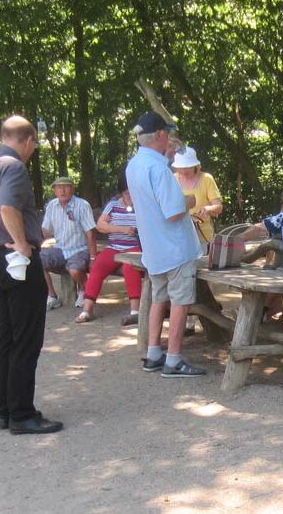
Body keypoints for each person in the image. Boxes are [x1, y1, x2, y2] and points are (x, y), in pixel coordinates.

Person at [0, 115, 63, 435]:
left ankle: (6, 410)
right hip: (15, 260)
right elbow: (7, 208)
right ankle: (23, 414)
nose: (33, 151)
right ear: (28, 140)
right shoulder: (14, 166)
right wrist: (23, 244)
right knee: (26, 337)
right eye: (34, 145)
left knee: (7, 335)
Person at [124, 111, 207, 378]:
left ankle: (153, 353)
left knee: (159, 299)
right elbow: (172, 211)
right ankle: (173, 360)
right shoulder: (158, 167)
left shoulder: (134, 165)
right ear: (159, 135)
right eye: (167, 134)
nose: (169, 139)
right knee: (181, 302)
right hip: (175, 248)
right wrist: (190, 201)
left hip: (153, 248)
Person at [76, 176, 144, 326]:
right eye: (127, 193)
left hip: (135, 246)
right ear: (121, 193)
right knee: (98, 266)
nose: (130, 196)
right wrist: (122, 229)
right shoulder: (113, 205)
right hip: (114, 246)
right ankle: (87, 310)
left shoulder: (143, 205)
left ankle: (135, 311)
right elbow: (100, 225)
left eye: (133, 192)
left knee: (129, 267)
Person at [40, 177, 98, 311]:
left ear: (72, 189)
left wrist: (93, 257)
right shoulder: (51, 206)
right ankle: (52, 295)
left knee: (74, 270)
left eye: (66, 187)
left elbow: (90, 233)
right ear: (54, 191)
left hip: (80, 249)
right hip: (60, 248)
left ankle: (84, 291)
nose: (62, 190)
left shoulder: (82, 205)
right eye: (59, 188)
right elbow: (46, 232)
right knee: (36, 262)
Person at [172, 146, 223, 255]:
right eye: (181, 167)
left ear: (195, 165)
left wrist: (207, 209)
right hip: (178, 237)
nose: (184, 171)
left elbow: (218, 207)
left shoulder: (206, 179)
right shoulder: (172, 179)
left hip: (202, 236)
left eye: (187, 167)